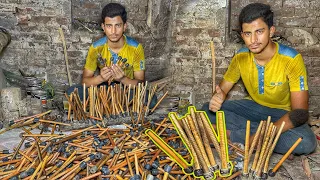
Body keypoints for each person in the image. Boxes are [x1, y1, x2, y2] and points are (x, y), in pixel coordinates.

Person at [202, 3, 317, 155]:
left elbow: (300, 113)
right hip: (253, 108)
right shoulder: (240, 57)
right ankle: (255, 135)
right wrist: (219, 96)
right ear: (242, 35)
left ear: (271, 31)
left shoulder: (291, 59)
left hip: (281, 114)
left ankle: (233, 135)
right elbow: (223, 89)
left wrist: (267, 133)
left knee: (306, 142)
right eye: (248, 34)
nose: (253, 40)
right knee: (205, 110)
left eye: (259, 31)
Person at [67, 3, 156, 106]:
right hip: (104, 89)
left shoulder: (136, 48)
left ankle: (107, 104)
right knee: (72, 92)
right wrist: (101, 78)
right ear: (103, 27)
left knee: (150, 99)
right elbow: (85, 82)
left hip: (126, 90)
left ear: (124, 26)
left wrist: (122, 78)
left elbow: (141, 84)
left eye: (118, 25)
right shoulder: (96, 47)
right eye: (109, 26)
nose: (113, 31)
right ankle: (113, 103)